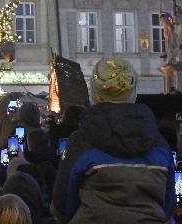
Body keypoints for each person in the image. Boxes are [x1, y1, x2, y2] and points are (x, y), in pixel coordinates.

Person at [51, 58, 173, 223]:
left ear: (95, 93)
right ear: (133, 92)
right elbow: (169, 202)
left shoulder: (82, 141)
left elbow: (63, 203)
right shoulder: (159, 143)